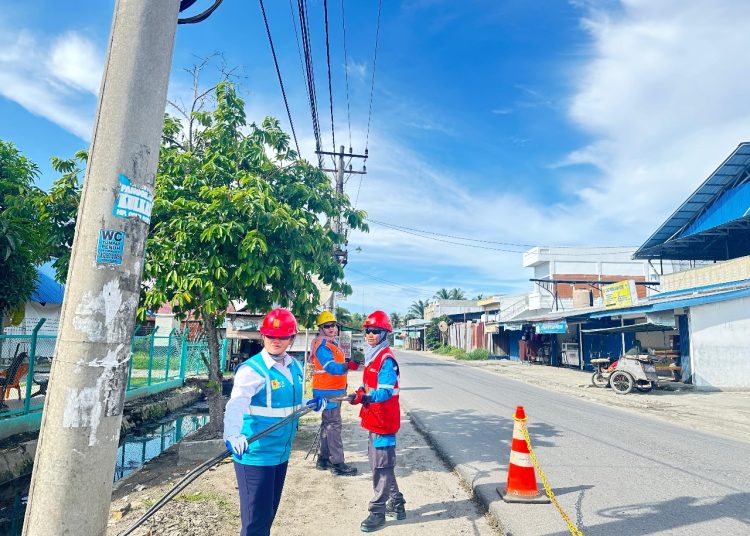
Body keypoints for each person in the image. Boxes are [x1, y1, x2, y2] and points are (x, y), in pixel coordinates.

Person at [223, 308, 327, 536]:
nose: (276, 341)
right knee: (255, 524)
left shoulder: (295, 367)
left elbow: (292, 402)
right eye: (271, 336)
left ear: (292, 338)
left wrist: (309, 403)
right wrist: (232, 434)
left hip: (281, 453)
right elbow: (236, 405)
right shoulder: (252, 370)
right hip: (256, 455)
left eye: (282, 336)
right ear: (263, 336)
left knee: (267, 516)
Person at [349, 310, 406, 532]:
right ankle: (397, 502)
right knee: (381, 465)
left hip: (384, 422)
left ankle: (377, 511)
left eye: (376, 331)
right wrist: (358, 394)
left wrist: (366, 397)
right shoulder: (372, 357)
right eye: (368, 331)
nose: (370, 334)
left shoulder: (386, 360)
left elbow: (384, 393)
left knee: (380, 467)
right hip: (374, 419)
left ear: (385, 334)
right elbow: (368, 386)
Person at [310, 310, 360, 476]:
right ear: (321, 328)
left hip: (332, 390)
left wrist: (347, 364)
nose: (332, 328)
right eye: (327, 326)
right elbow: (330, 368)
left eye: (334, 325)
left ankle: (323, 459)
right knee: (334, 425)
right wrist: (348, 366)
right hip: (327, 391)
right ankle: (337, 463)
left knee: (328, 424)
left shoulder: (331, 344)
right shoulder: (323, 346)